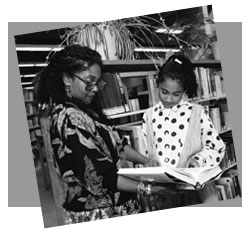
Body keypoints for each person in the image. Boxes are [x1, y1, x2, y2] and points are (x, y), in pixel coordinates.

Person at [35, 44, 162, 224]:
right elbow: (100, 176)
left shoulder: (87, 110)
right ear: (67, 79)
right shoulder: (69, 118)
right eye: (89, 82)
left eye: (98, 82)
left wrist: (145, 161)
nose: (95, 89)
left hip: (117, 205)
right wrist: (148, 188)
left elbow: (118, 143)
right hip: (98, 212)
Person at [141, 54, 226, 209]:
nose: (169, 99)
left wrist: (198, 160)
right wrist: (148, 161)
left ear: (184, 90)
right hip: (161, 192)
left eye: (176, 94)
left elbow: (216, 146)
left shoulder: (197, 112)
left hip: (195, 191)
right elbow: (145, 149)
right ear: (157, 85)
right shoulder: (149, 115)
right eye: (164, 92)